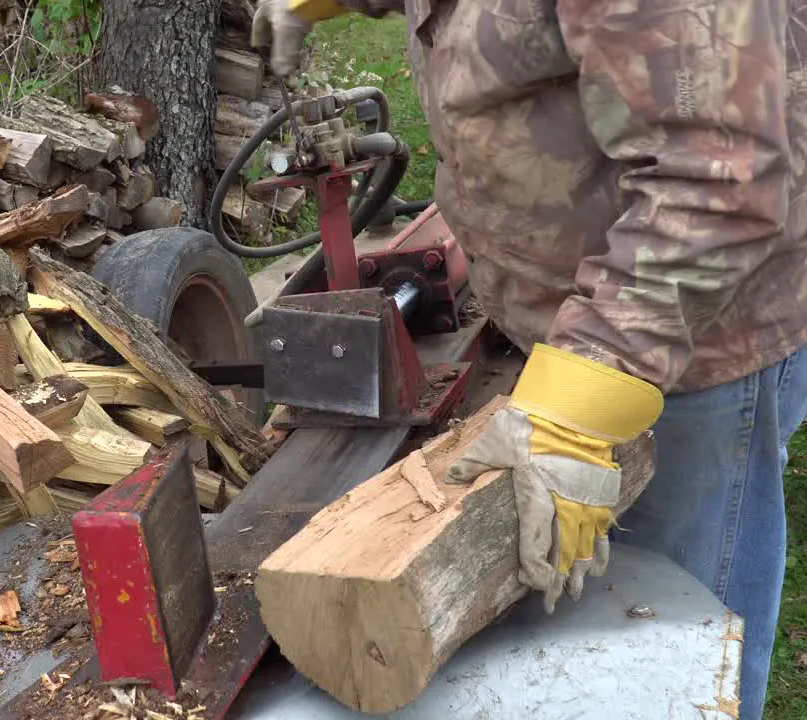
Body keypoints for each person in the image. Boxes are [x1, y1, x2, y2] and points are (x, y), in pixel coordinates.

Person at [252, 0, 807, 716]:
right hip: (589, 314)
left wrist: (579, 404)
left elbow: (719, 179)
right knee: (602, 629)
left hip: (694, 337)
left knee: (679, 641)